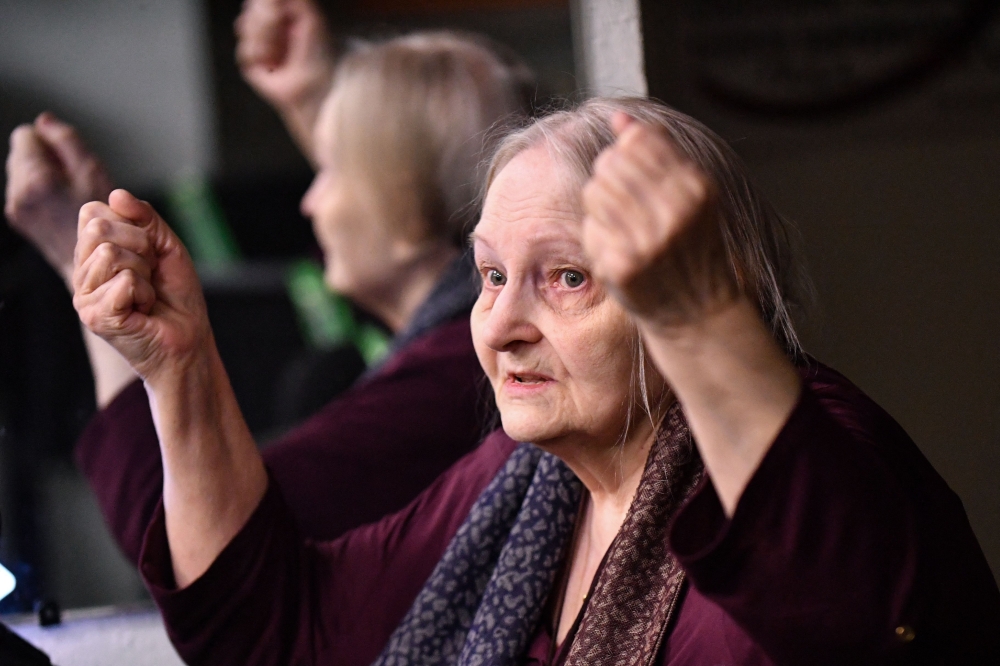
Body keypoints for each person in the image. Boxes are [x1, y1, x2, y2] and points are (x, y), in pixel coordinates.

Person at [70, 96, 1000, 664]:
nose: (504, 326)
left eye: (567, 277)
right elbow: (274, 634)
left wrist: (701, 321)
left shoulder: (825, 452)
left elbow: (850, 623)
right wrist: (178, 369)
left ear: (693, 280)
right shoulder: (519, 485)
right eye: (488, 277)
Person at [3, 0, 534, 564]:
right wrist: (313, 102)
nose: (310, 202)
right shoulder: (468, 335)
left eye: (330, 168)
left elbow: (189, 546)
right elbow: (416, 206)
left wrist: (75, 259)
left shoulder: (455, 376)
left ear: (401, 201)